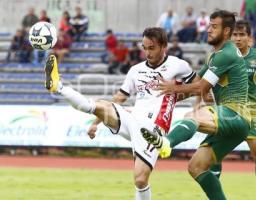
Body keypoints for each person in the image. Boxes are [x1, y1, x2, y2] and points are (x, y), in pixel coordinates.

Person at [44, 27, 195, 200]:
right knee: (100, 105)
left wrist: (176, 91)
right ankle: (58, 86)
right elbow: (119, 97)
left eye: (151, 48)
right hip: (132, 120)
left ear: (163, 46)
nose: (147, 52)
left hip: (154, 129)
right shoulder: (136, 70)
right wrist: (95, 123)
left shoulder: (178, 65)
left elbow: (199, 87)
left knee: (140, 179)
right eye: (144, 47)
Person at [141, 10, 251, 199]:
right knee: (196, 167)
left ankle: (166, 143)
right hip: (234, 122)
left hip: (236, 114)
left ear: (226, 32)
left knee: (193, 116)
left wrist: (172, 88)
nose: (208, 30)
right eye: (209, 25)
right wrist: (163, 99)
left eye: (213, 27)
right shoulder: (215, 56)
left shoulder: (226, 54)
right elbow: (194, 85)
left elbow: (200, 86)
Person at [210, 20, 256, 200]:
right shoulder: (220, 56)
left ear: (250, 38)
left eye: (242, 35)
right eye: (235, 34)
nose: (238, 38)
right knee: (215, 156)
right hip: (225, 110)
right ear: (229, 36)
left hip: (249, 111)